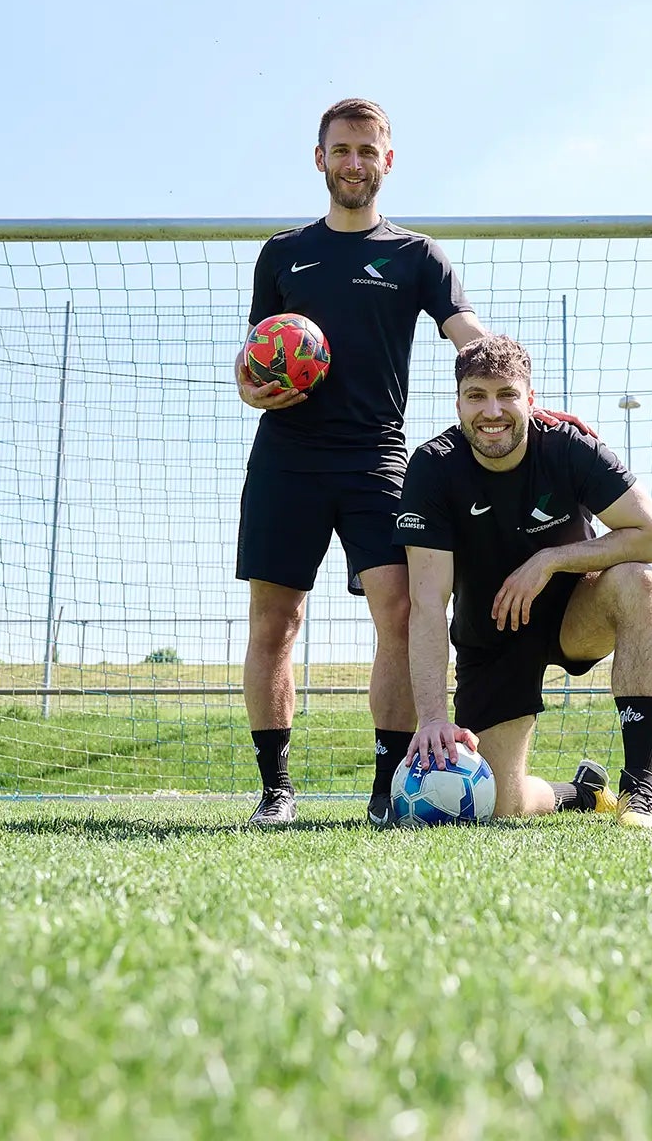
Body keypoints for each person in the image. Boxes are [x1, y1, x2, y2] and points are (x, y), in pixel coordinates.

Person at [234, 98, 490, 827]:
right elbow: (254, 358)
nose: (354, 163)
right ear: (320, 160)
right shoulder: (284, 253)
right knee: (274, 623)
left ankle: (386, 789)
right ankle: (276, 790)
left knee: (402, 613)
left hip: (376, 458)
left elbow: (461, 328)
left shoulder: (416, 256)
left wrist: (502, 363)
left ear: (388, 161)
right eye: (341, 150)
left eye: (366, 151)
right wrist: (251, 389)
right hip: (286, 459)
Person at [397, 335, 652, 829]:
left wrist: (550, 559)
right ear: (458, 402)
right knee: (499, 805)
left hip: (574, 612)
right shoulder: (433, 466)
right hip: (491, 635)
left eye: (507, 394)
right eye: (477, 395)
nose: (493, 411)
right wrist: (434, 718)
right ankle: (582, 793)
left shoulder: (569, 446)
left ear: (530, 398)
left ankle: (639, 793)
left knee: (639, 582)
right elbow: (427, 600)